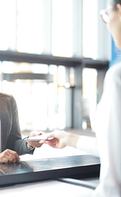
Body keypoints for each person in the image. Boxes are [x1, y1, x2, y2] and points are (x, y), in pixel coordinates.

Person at [44, 1, 121, 195]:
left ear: (118, 11)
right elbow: (114, 147)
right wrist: (69, 138)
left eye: (104, 16)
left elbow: (115, 178)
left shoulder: (117, 76)